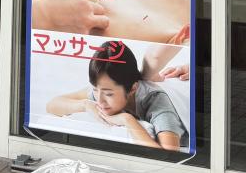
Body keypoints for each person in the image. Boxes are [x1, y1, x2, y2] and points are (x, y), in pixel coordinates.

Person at [45, 40, 187, 150]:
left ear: (132, 88)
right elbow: (52, 105)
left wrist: (127, 120)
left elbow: (168, 155)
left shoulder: (156, 101)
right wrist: (85, 105)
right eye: (95, 89)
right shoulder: (102, 91)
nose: (100, 101)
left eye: (109, 94)